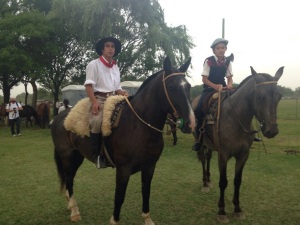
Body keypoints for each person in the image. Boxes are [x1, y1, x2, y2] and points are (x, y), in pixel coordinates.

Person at [84, 36, 128, 169]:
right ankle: (97, 155)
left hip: (114, 98)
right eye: (108, 46)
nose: (110, 48)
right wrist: (94, 102)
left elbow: (117, 88)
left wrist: (123, 92)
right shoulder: (93, 64)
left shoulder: (115, 67)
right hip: (100, 98)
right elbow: (88, 85)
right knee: (96, 121)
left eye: (113, 46)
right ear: (102, 49)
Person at [193, 38, 233, 151]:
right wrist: (215, 87)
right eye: (218, 48)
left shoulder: (228, 62)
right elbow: (204, 79)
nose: (221, 50)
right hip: (209, 89)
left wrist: (229, 85)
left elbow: (230, 78)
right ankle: (199, 139)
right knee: (199, 109)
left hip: (223, 89)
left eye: (223, 48)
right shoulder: (209, 61)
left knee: (240, 101)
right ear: (214, 51)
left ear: (226, 49)